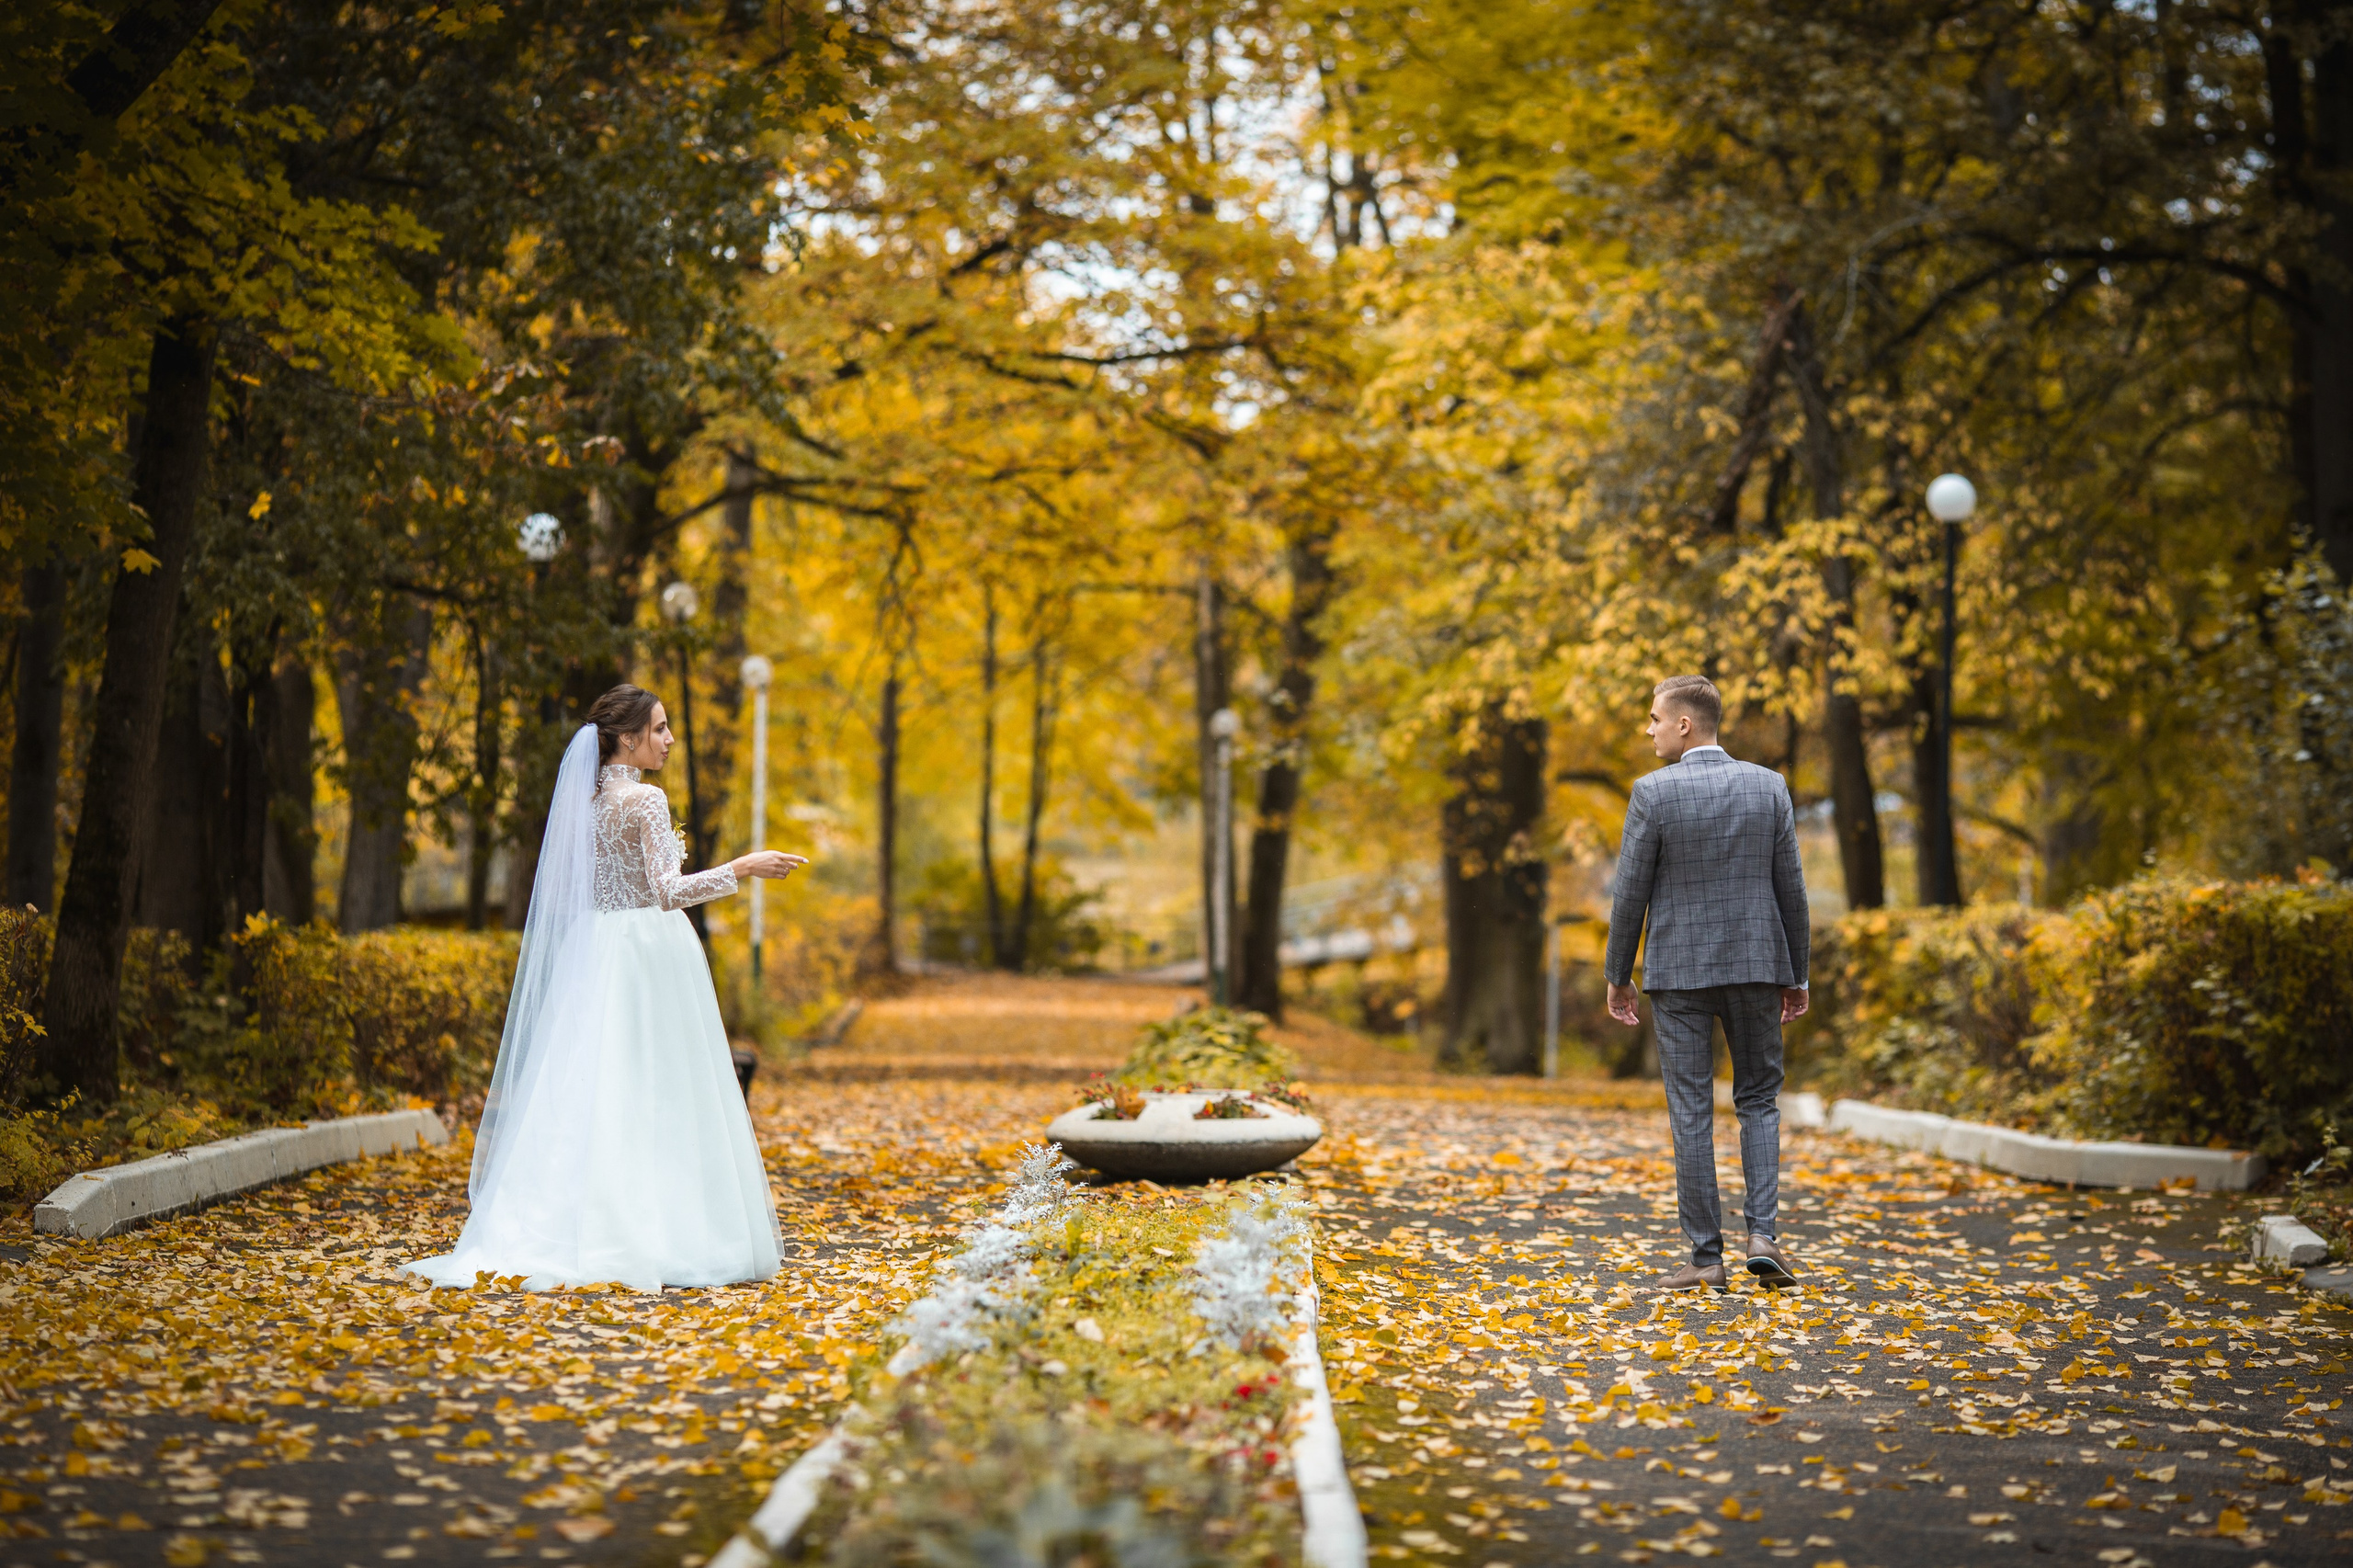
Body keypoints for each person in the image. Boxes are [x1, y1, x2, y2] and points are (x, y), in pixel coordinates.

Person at [407, 685, 808, 1292]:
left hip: (595, 951)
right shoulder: (645, 800)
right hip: (646, 953)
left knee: (591, 1086)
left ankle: (573, 1225)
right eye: (659, 728)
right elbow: (667, 892)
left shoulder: (584, 802)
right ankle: (664, 1233)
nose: (668, 740)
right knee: (659, 1088)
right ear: (627, 737)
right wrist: (743, 868)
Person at [1602, 675, 1810, 1292]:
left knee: (1691, 1110)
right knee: (1759, 1100)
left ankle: (1705, 1259)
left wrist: (1618, 974)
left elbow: (1630, 894)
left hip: (1680, 973)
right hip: (1757, 966)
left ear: (1684, 724)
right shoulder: (1769, 787)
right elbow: (1792, 889)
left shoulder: (1653, 793)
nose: (1649, 729)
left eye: (1654, 718)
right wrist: (1796, 973)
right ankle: (1763, 1236)